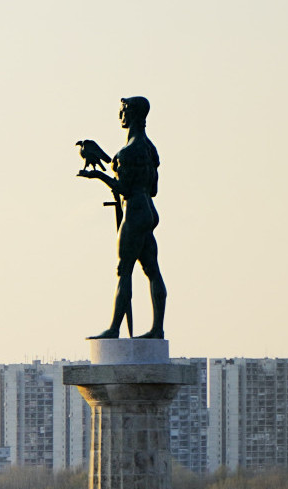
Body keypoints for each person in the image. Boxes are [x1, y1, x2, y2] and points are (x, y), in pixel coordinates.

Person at [78, 96, 166, 339]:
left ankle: (114, 329)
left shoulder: (129, 151)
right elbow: (154, 190)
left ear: (134, 114)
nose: (120, 117)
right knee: (152, 270)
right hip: (148, 209)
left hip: (135, 211)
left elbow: (124, 188)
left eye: (123, 111)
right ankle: (157, 328)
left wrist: (98, 178)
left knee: (124, 269)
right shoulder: (149, 149)